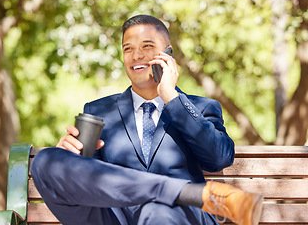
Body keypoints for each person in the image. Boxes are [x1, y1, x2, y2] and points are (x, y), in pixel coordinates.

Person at [31, 14, 263, 225]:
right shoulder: (98, 110)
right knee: (44, 161)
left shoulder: (200, 107)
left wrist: (172, 97)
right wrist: (70, 159)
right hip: (116, 219)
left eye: (147, 46)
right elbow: (91, 183)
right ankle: (183, 191)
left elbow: (219, 158)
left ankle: (181, 196)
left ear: (168, 54)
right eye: (128, 49)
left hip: (179, 216)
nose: (136, 55)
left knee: (157, 213)